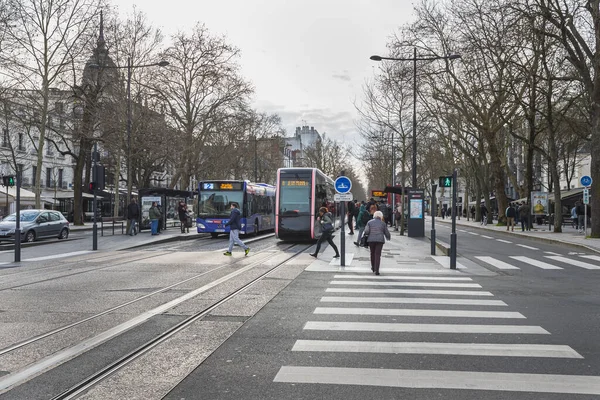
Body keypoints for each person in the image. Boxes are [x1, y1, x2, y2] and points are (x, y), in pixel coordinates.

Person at [364, 210, 391, 275]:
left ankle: (373, 267)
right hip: (380, 240)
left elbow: (366, 231)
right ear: (381, 216)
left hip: (371, 240)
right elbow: (386, 232)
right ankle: (377, 270)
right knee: (378, 255)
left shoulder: (369, 222)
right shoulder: (383, 223)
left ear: (374, 216)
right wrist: (388, 237)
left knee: (372, 253)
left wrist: (367, 235)